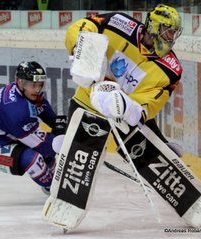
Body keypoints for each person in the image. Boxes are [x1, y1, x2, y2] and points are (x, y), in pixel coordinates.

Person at [64, 4, 183, 163]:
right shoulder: (118, 23)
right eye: (168, 31)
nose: (171, 37)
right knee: (76, 158)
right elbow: (85, 25)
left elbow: (150, 103)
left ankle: (157, 159)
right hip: (88, 100)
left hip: (124, 112)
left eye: (174, 33)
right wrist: (81, 49)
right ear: (154, 26)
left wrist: (129, 109)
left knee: (148, 148)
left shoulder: (171, 69)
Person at [0, 61, 66, 194]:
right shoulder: (17, 112)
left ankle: (52, 174)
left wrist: (57, 125)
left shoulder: (24, 92)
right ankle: (53, 189)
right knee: (33, 158)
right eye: (33, 85)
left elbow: (43, 109)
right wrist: (63, 139)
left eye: (40, 84)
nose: (37, 89)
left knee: (49, 144)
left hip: (3, 135)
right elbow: (44, 146)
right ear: (20, 82)